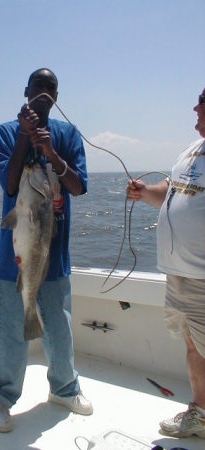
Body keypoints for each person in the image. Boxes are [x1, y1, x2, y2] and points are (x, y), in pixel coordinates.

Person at [0, 68, 93, 433]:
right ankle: (0, 398)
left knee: (60, 330)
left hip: (54, 256)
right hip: (15, 259)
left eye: (51, 87)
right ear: (26, 92)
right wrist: (23, 136)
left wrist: (50, 151)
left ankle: (65, 388)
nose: (45, 91)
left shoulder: (68, 135)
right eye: (39, 86)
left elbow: (77, 187)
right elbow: (11, 182)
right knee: (11, 331)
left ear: (56, 97)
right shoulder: (4, 133)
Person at [127, 89, 205, 439]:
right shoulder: (191, 151)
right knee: (193, 345)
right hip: (180, 275)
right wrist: (145, 191)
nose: (195, 106)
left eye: (202, 100)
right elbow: (172, 192)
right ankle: (201, 413)